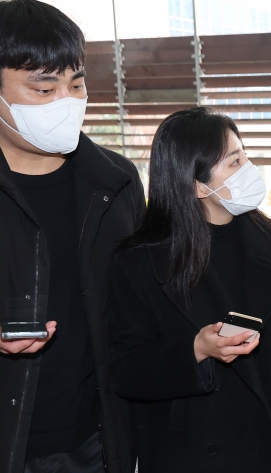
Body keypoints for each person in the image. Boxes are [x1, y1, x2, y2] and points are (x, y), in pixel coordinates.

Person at [108, 108, 271, 473]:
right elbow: (127, 370)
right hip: (195, 450)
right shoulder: (139, 262)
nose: (249, 170)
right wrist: (195, 350)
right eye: (234, 162)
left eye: (245, 156)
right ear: (196, 184)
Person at [0, 1, 145, 472]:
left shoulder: (116, 182)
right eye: (44, 87)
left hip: (94, 439)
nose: (66, 100)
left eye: (76, 84)